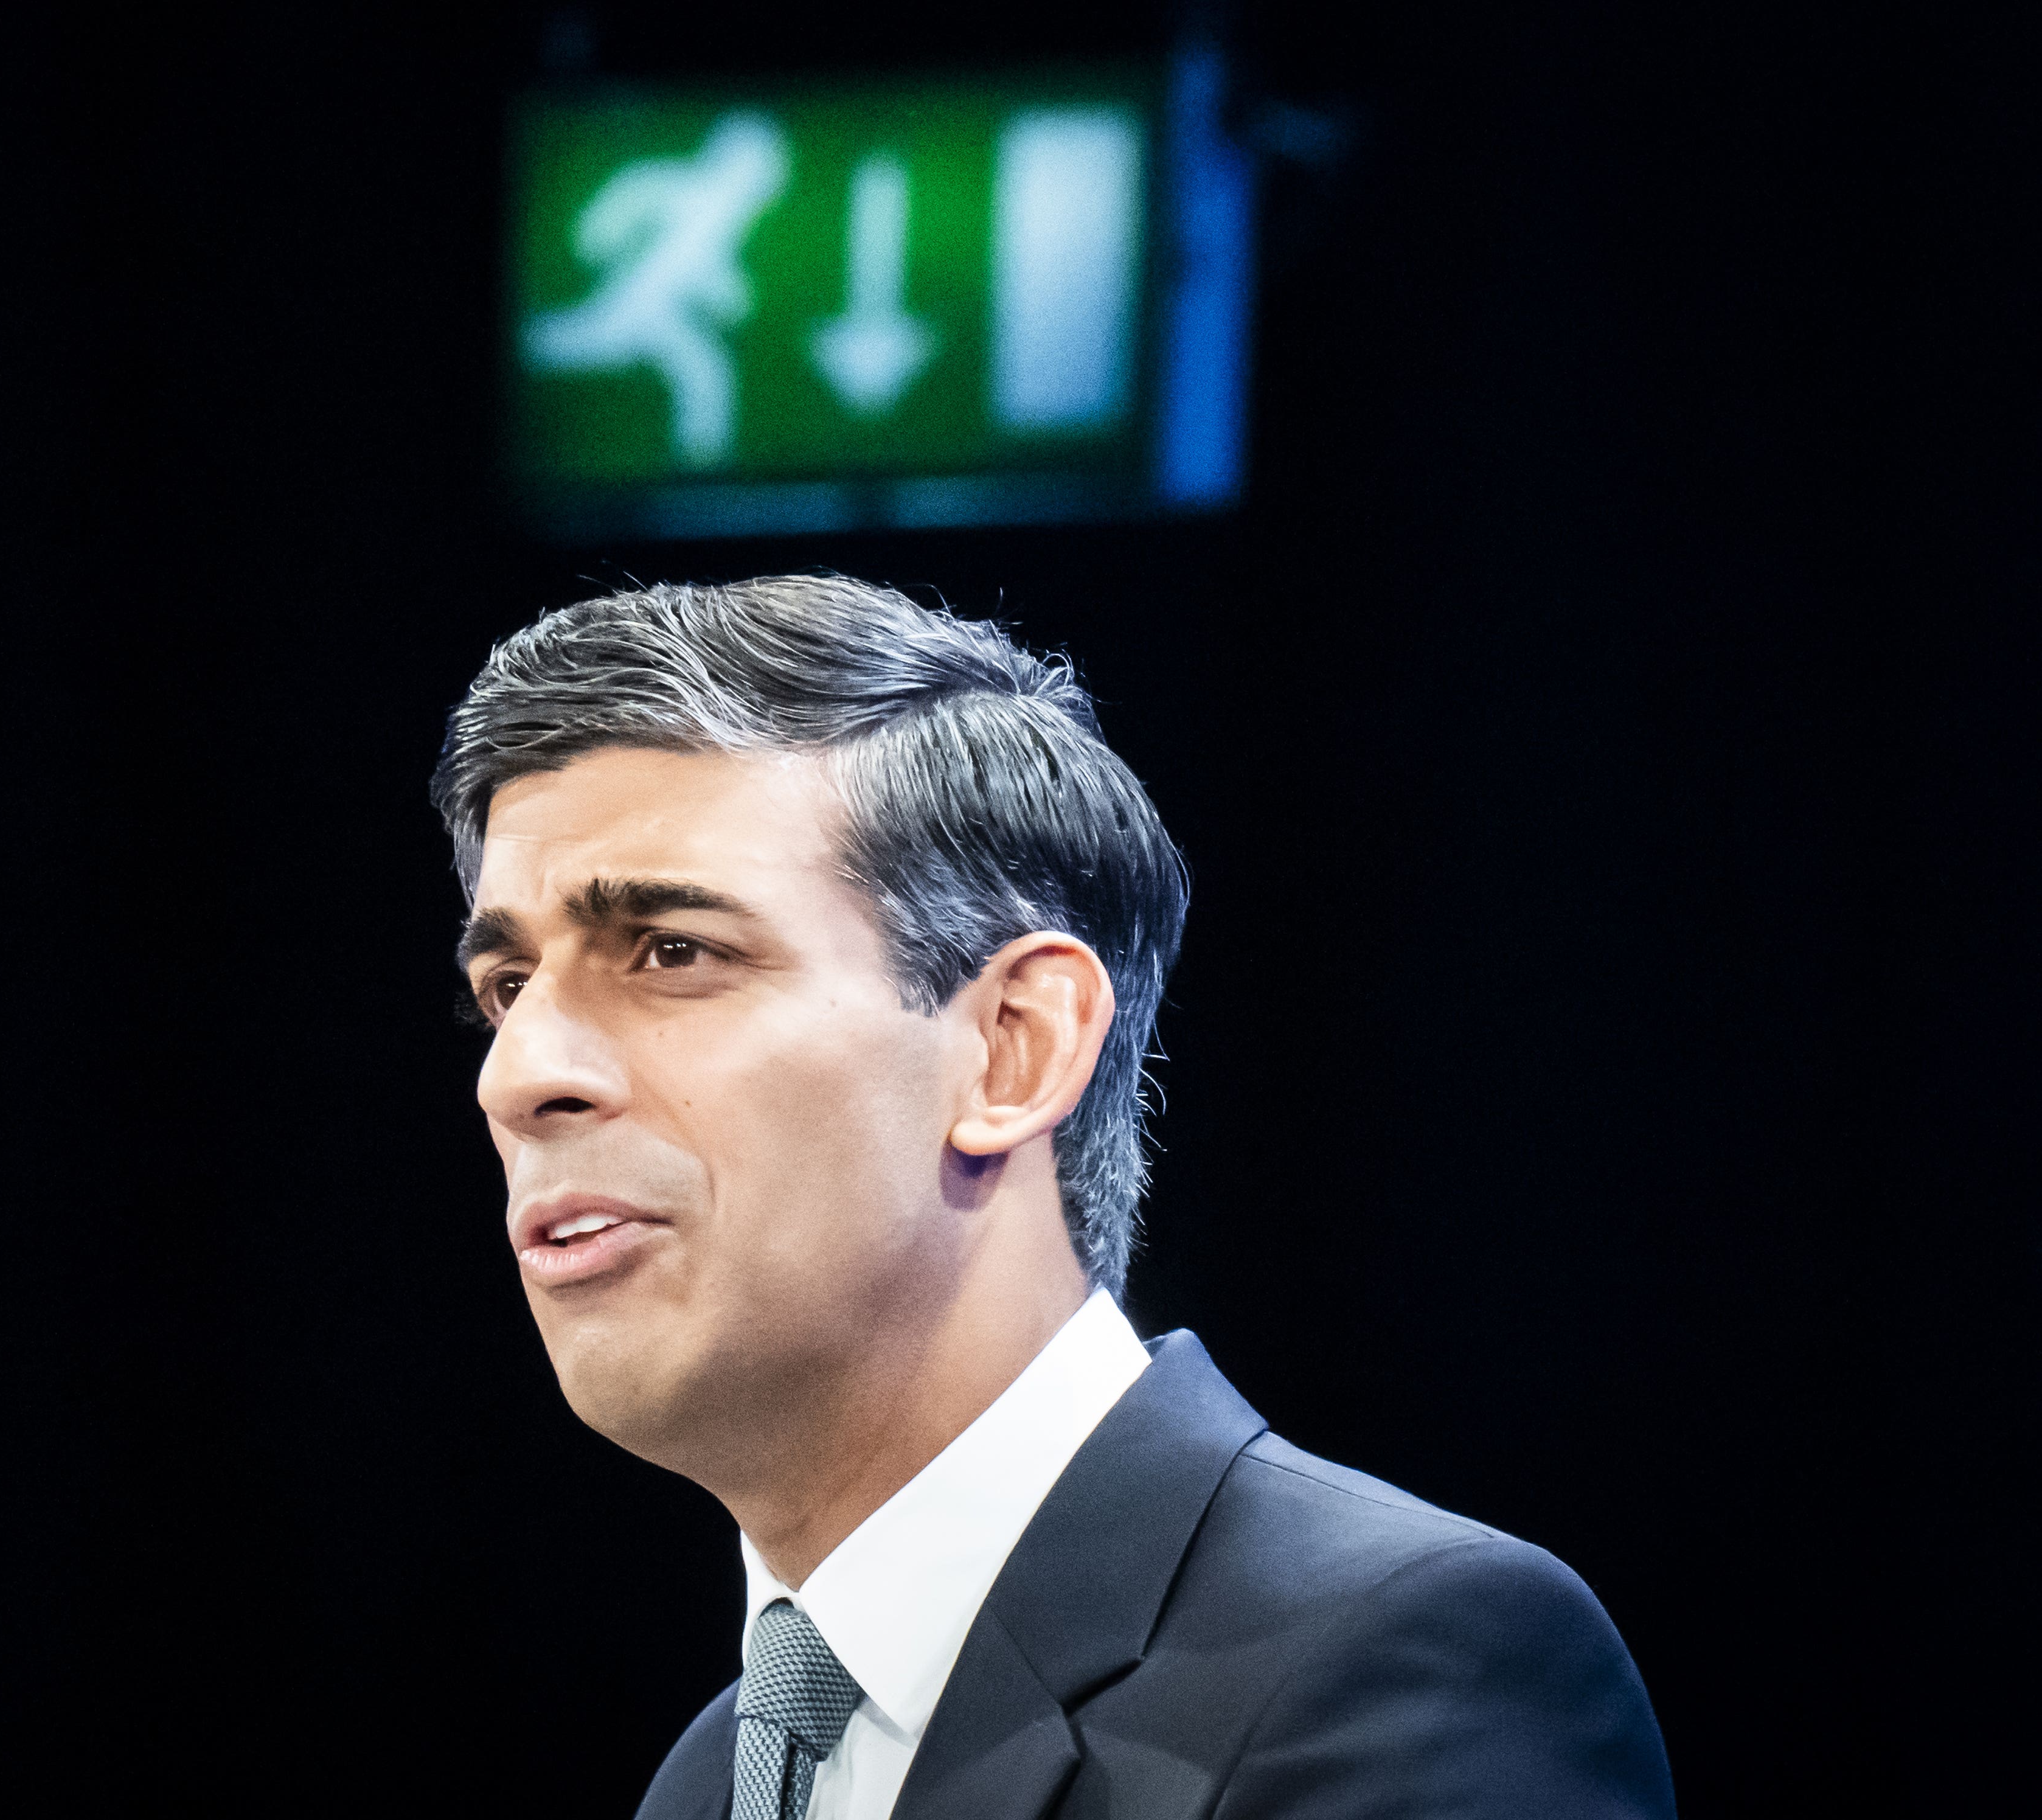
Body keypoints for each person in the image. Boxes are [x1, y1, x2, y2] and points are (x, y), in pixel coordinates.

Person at [432, 574, 1673, 1820]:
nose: (521, 1074)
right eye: (508, 986)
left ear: (1013, 1047)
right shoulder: (713, 1782)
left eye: (672, 952)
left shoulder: (1397, 1666)